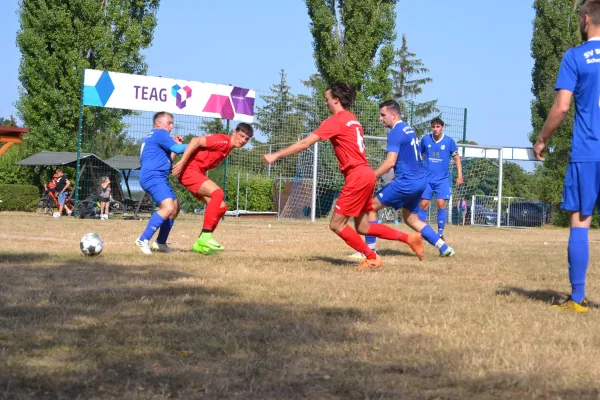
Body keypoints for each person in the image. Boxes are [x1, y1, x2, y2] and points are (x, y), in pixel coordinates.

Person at [263, 82, 423, 271]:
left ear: (336, 100)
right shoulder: (353, 119)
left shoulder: (335, 121)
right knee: (363, 227)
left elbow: (305, 143)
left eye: (327, 99)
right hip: (366, 174)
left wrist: (276, 155)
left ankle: (372, 257)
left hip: (357, 176)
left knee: (336, 224)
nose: (325, 103)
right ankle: (409, 238)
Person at [532, 0, 600, 313]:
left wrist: (542, 139)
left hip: (588, 151)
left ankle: (577, 299)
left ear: (586, 20)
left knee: (580, 222)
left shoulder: (575, 56)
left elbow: (561, 108)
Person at [352, 100, 455, 258]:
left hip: (406, 182)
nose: (380, 118)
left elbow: (390, 162)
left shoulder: (395, 132)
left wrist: (371, 176)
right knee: (411, 219)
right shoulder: (407, 128)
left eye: (383, 115)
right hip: (420, 181)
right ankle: (444, 247)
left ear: (393, 115)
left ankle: (369, 251)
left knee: (369, 207)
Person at [171, 123, 253, 254]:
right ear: (234, 132)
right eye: (241, 136)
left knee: (221, 207)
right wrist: (181, 162)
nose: (243, 141)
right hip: (189, 171)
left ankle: (200, 243)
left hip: (196, 173)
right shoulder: (222, 140)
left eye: (246, 139)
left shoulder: (228, 148)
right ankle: (206, 236)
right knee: (217, 193)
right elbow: (195, 141)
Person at [135, 111, 188, 255]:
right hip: (153, 176)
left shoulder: (155, 137)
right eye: (169, 123)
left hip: (157, 177)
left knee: (175, 207)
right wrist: (197, 145)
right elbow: (178, 149)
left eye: (172, 124)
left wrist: (175, 147)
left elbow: (170, 157)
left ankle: (160, 242)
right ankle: (143, 239)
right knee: (168, 207)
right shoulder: (160, 133)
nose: (171, 127)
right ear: (158, 123)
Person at [418, 118, 463, 239]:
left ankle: (440, 233)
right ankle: (421, 232)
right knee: (423, 204)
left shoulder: (449, 141)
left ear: (442, 127)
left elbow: (457, 159)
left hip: (442, 180)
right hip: (426, 179)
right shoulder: (425, 139)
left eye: (437, 126)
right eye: (433, 127)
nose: (435, 129)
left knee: (441, 204)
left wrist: (460, 175)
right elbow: (419, 155)